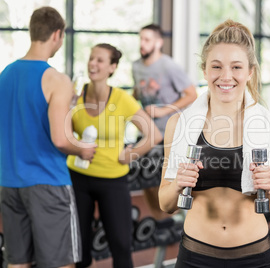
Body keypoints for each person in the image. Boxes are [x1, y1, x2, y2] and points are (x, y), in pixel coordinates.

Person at [159, 19, 270, 268]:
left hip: (255, 257)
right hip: (195, 257)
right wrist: (178, 183)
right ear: (205, 70)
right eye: (216, 67)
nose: (226, 76)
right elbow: (165, 205)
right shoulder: (179, 125)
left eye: (236, 67)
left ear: (250, 71)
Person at [0, 6, 96, 268]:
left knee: (18, 263)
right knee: (61, 263)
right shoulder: (56, 79)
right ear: (57, 34)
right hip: (48, 183)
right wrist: (83, 150)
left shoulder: (5, 74)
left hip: (9, 183)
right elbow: (61, 139)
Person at [66, 43, 162, 268]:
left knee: (121, 246)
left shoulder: (121, 99)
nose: (93, 63)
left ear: (112, 67)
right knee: (79, 251)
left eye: (100, 60)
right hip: (77, 177)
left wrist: (130, 155)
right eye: (91, 58)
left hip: (113, 180)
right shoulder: (76, 94)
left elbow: (153, 135)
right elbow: (64, 132)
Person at [132, 24, 197, 220]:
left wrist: (162, 110)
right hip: (147, 133)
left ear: (158, 42)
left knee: (168, 182)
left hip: (169, 134)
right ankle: (162, 222)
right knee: (147, 182)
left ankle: (181, 218)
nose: (142, 44)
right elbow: (138, 93)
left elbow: (192, 94)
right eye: (141, 39)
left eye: (147, 40)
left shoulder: (169, 66)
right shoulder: (136, 66)